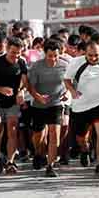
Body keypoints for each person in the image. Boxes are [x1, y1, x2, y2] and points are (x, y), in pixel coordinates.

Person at [64, 41, 99, 178]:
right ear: (85, 53)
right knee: (81, 137)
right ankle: (85, 150)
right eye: (90, 55)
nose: (93, 58)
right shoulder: (76, 63)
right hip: (81, 106)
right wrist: (73, 91)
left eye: (96, 55)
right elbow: (67, 79)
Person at [0, 36, 28, 174]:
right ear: (7, 49)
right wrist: (0, 89)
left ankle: (10, 161)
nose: (16, 56)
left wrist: (21, 91)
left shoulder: (21, 63)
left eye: (19, 53)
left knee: (12, 130)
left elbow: (24, 82)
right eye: (13, 53)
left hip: (12, 104)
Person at [27, 40, 68, 177]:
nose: (53, 59)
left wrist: (67, 94)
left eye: (56, 56)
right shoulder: (37, 67)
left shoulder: (64, 65)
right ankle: (38, 153)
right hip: (39, 105)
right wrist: (38, 97)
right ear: (45, 54)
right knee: (38, 135)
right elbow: (30, 87)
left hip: (56, 104)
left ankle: (50, 165)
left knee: (54, 135)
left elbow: (69, 83)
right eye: (50, 56)